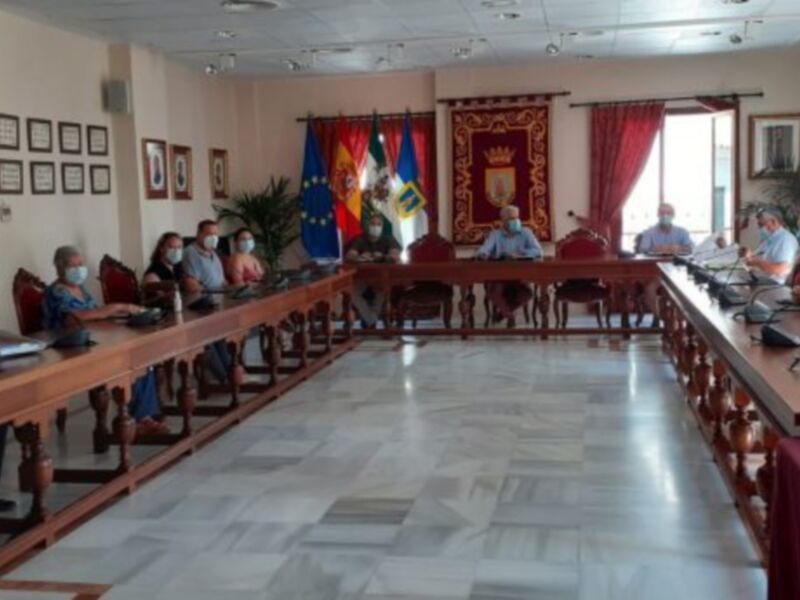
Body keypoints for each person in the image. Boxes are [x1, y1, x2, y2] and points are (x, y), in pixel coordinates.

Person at [43, 246, 167, 434]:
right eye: (72, 265)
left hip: (92, 342)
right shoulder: (57, 292)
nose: (78, 269)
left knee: (141, 356)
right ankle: (140, 418)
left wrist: (119, 314)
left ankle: (143, 415)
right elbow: (77, 317)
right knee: (128, 361)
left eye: (81, 264)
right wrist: (117, 306)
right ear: (59, 268)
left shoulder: (82, 290)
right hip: (69, 351)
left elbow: (97, 315)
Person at [476, 205, 542, 326]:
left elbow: (538, 251)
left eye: (517, 217)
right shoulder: (495, 234)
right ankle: (509, 315)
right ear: (503, 221)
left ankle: (504, 312)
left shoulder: (526, 232)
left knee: (527, 293)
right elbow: (484, 250)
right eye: (511, 218)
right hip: (500, 275)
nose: (515, 221)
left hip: (520, 275)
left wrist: (521, 253)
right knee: (494, 291)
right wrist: (483, 254)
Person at [182, 220, 231, 382]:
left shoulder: (214, 253)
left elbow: (222, 281)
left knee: (223, 335)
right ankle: (225, 378)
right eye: (209, 234)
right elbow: (192, 286)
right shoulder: (191, 252)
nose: (214, 238)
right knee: (212, 336)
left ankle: (231, 373)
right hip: (201, 307)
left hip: (219, 303)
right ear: (199, 235)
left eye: (216, 234)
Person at [638, 204, 695, 324]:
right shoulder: (649, 232)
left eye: (668, 213)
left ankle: (680, 320)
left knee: (689, 290)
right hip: (655, 270)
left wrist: (677, 248)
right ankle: (660, 319)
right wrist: (659, 248)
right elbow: (643, 248)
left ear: (673, 215)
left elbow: (691, 248)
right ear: (658, 215)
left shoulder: (682, 232)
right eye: (662, 213)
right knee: (649, 289)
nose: (665, 216)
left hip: (677, 271)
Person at [345, 214, 401, 327]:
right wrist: (359, 257)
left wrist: (383, 257)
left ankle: (369, 320)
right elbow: (349, 255)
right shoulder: (360, 239)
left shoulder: (388, 239)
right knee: (352, 293)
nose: (375, 227)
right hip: (362, 278)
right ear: (367, 225)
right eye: (373, 224)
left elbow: (395, 255)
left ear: (382, 227)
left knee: (382, 292)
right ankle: (371, 319)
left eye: (378, 224)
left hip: (381, 278)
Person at [741, 209, 799, 282]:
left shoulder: (785, 240)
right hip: (761, 279)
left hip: (774, 286)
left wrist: (756, 262)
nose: (759, 229)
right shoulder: (769, 238)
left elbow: (781, 269)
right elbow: (760, 256)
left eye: (761, 225)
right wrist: (749, 255)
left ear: (773, 221)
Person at [142, 231, 184, 305]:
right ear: (161, 248)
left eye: (179, 247)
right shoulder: (153, 274)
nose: (176, 251)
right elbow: (157, 301)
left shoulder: (178, 268)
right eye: (171, 247)